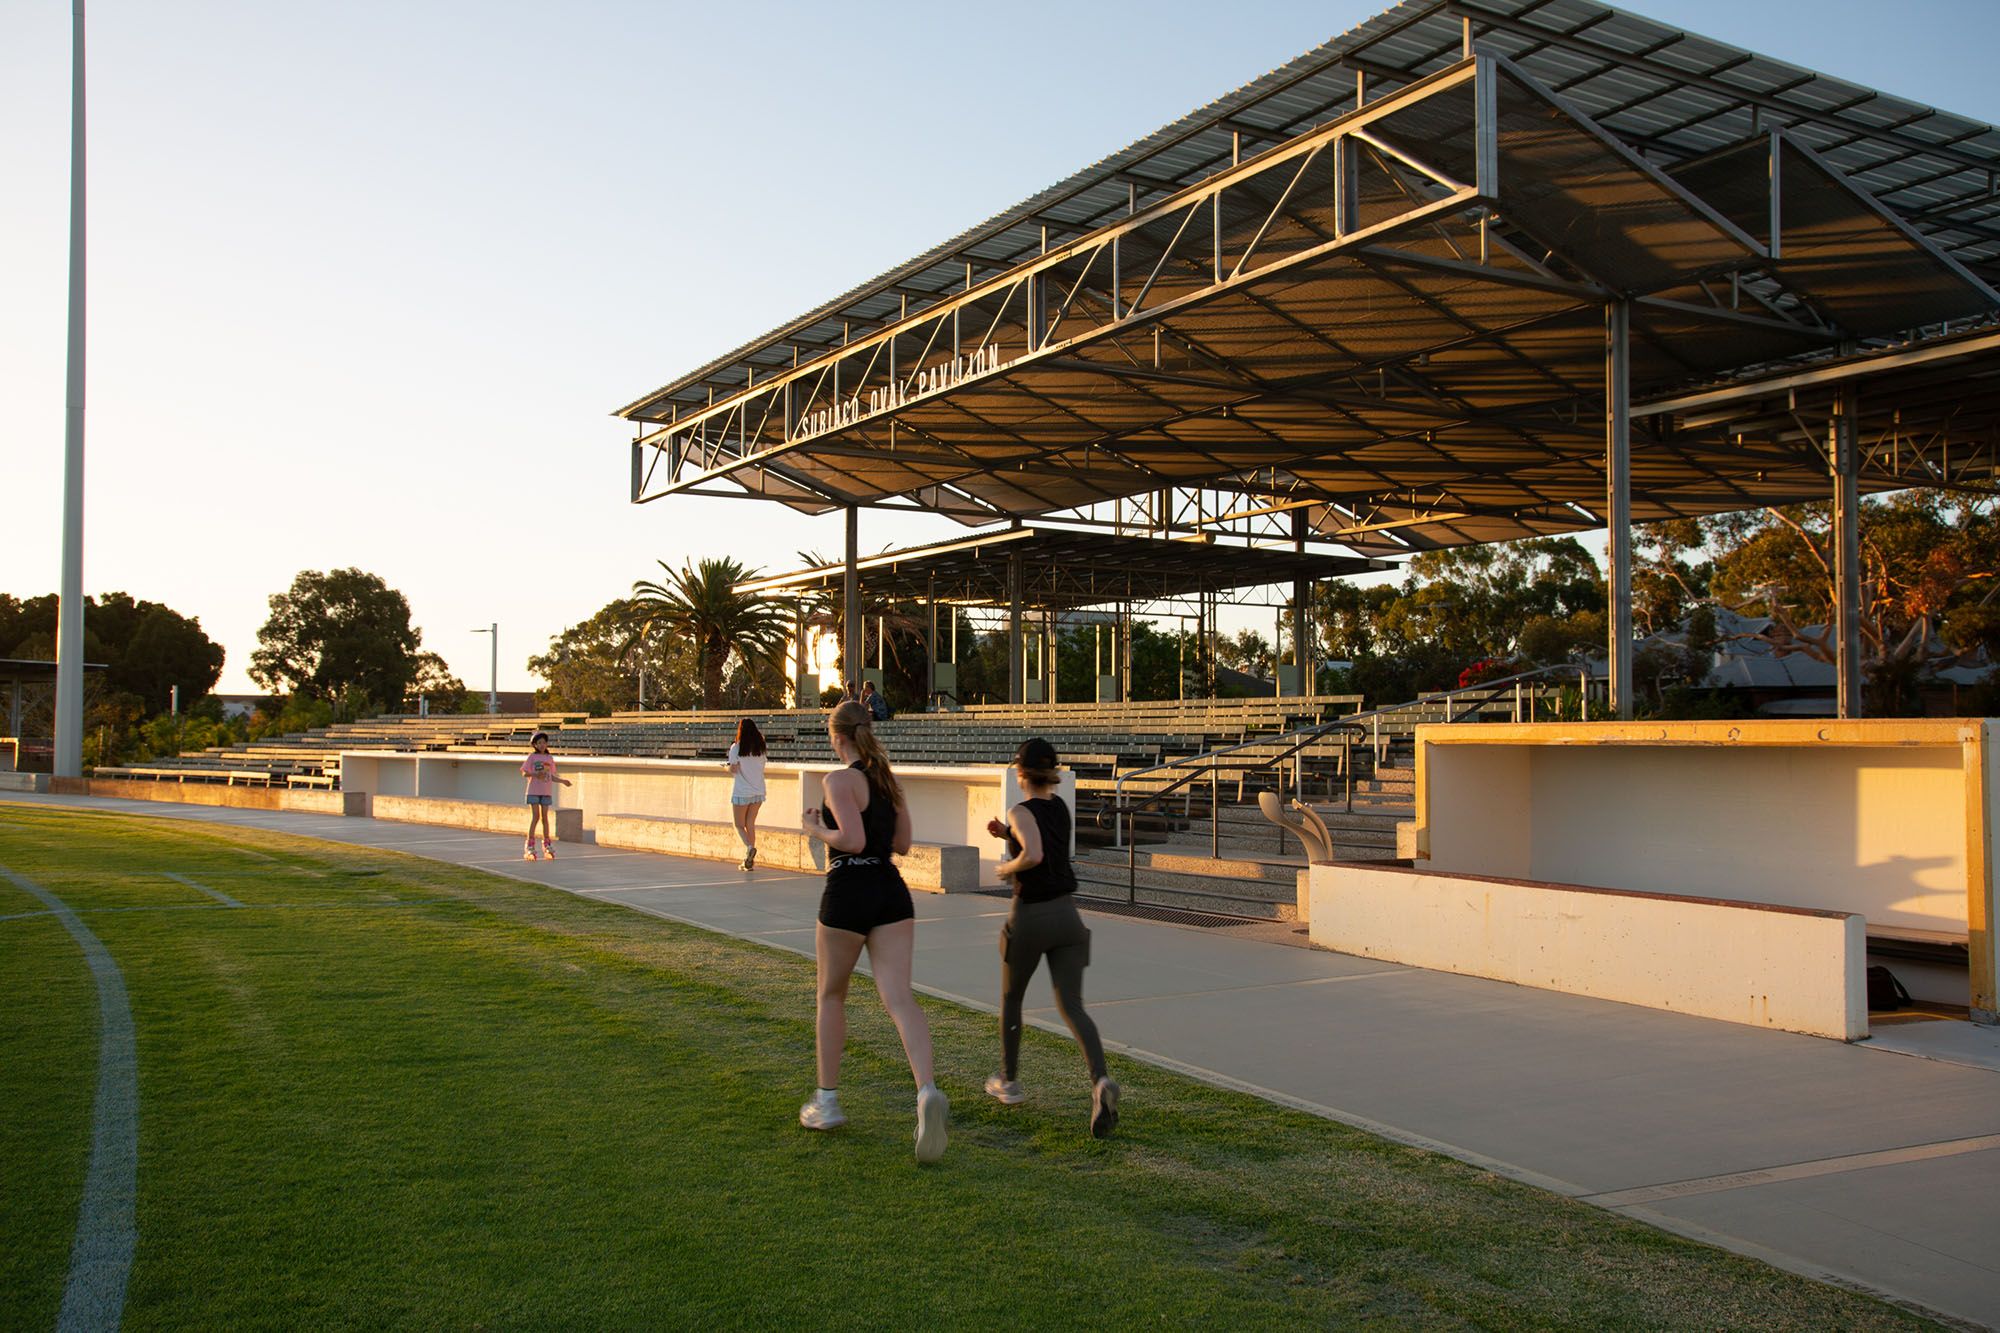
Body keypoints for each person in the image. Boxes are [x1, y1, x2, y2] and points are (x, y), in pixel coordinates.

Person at [798, 700, 948, 1162]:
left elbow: (853, 840)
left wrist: (816, 829)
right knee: (899, 998)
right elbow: (901, 844)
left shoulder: (838, 780)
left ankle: (826, 1101)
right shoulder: (889, 782)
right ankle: (926, 1090)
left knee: (831, 995)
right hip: (890, 892)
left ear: (835, 736)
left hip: (848, 890)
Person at [984, 737, 1118, 1138]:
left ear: (1021, 773)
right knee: (1073, 1007)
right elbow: (1041, 838)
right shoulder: (1060, 808)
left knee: (1012, 999)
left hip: (1030, 916)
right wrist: (1006, 832)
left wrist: (1009, 868)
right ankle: (1100, 1082)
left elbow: (1035, 853)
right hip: (1068, 917)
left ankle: (1008, 1082)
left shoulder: (1020, 809)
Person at [519, 731, 572, 860]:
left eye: (544, 742)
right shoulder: (532, 757)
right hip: (534, 791)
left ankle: (547, 844)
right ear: (535, 745)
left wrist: (563, 781)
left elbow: (551, 776)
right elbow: (524, 773)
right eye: (539, 743)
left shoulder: (549, 758)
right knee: (535, 817)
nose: (542, 745)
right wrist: (535, 775)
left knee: (545, 818)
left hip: (546, 792)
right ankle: (530, 845)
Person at [725, 717, 768, 871]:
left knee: (738, 825)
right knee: (750, 824)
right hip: (758, 791)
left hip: (742, 791)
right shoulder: (761, 747)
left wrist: (726, 767)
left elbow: (733, 769)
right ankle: (749, 859)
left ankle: (749, 848)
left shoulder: (736, 748)